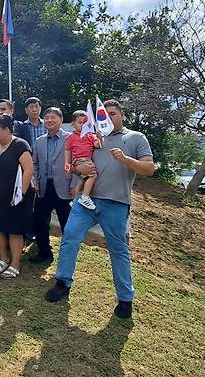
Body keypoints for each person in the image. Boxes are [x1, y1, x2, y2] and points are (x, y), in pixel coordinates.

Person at [45, 99, 154, 319]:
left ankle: (125, 298)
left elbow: (148, 168)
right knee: (70, 237)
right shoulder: (91, 137)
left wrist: (125, 159)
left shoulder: (135, 138)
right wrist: (78, 167)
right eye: (103, 115)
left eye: (112, 113)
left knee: (118, 250)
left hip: (116, 203)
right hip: (86, 201)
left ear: (122, 115)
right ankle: (63, 282)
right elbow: (77, 164)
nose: (107, 118)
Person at [0, 115, 34, 279]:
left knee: (15, 229)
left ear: (7, 129)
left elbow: (28, 170)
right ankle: (3, 257)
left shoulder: (20, 145)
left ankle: (15, 263)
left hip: (17, 195)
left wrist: (21, 195)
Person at [30, 107, 76, 265]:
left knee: (67, 224)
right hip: (44, 187)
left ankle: (67, 257)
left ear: (61, 120)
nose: (49, 120)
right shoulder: (39, 141)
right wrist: (34, 180)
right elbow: (34, 164)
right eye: (47, 117)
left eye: (53, 117)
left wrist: (75, 184)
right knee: (39, 220)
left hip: (65, 187)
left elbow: (77, 163)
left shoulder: (71, 138)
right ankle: (44, 252)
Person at [65, 110, 102, 210]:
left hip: (87, 160)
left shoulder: (90, 135)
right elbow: (67, 150)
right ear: (73, 124)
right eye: (80, 123)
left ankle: (75, 199)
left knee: (83, 178)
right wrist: (67, 164)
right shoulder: (71, 137)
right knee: (93, 175)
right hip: (80, 161)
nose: (83, 125)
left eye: (85, 123)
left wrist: (100, 138)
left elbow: (97, 145)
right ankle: (85, 197)